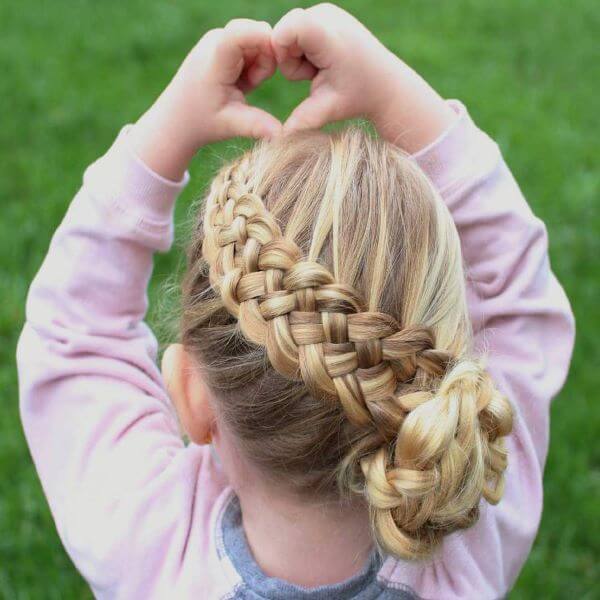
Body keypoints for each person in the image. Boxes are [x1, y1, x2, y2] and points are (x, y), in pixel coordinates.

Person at [17, 4, 574, 598]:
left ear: (191, 395)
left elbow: (72, 336)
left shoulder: (146, 542)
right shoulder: (473, 523)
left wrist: (163, 134)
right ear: (450, 383)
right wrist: (394, 92)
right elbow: (519, 302)